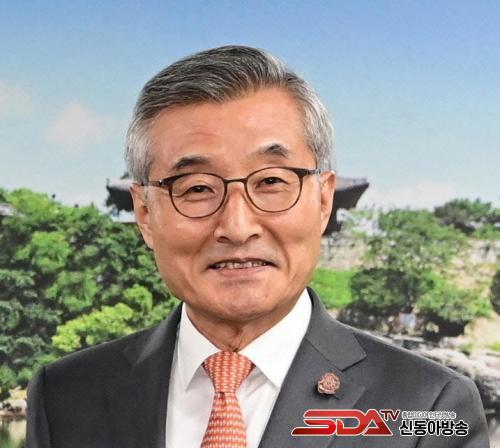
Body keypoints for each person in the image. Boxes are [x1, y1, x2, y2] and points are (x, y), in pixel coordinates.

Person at [26, 45, 489, 448]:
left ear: (323, 200)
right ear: (145, 213)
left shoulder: (428, 407)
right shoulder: (64, 395)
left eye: (271, 182)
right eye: (197, 188)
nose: (237, 226)